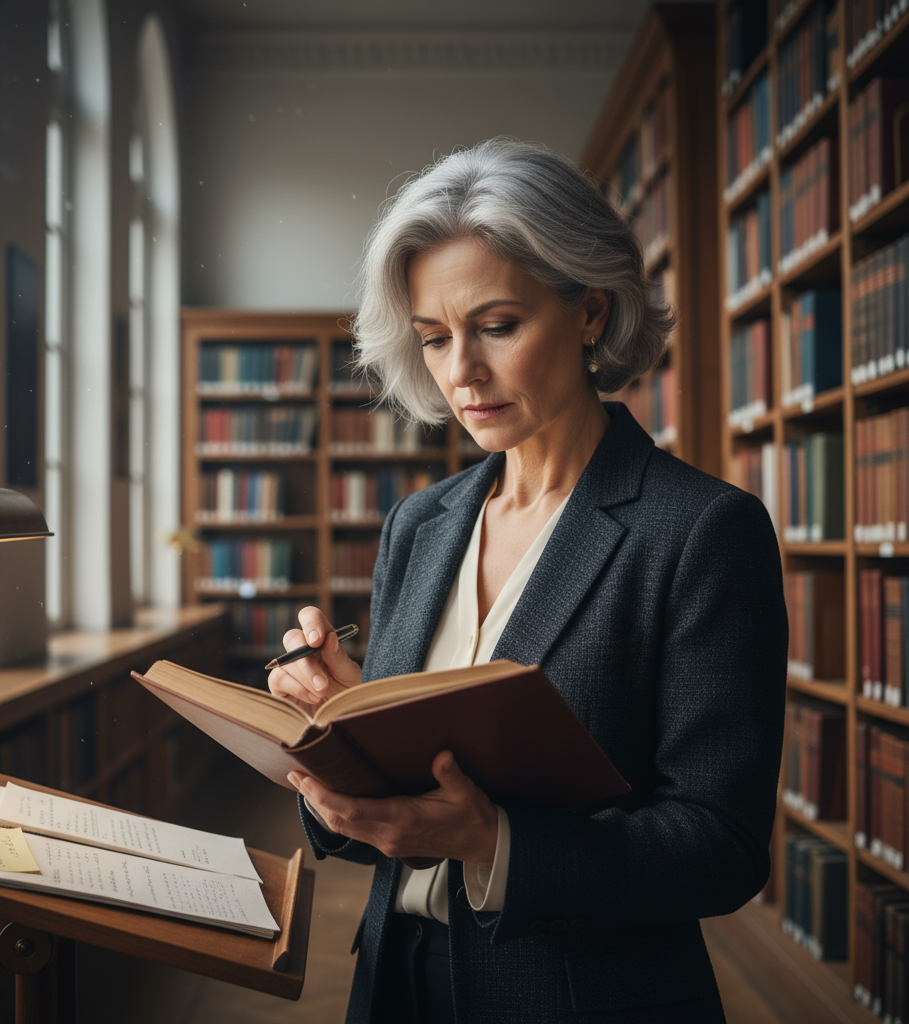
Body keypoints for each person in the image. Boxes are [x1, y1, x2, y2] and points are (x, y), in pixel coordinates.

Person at [268, 138, 787, 1024]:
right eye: (434, 338)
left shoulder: (702, 532)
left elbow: (722, 848)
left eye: (497, 326)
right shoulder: (420, 524)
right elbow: (393, 811)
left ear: (589, 311)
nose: (461, 371)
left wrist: (494, 843)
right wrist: (339, 732)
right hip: (393, 983)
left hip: (582, 997)